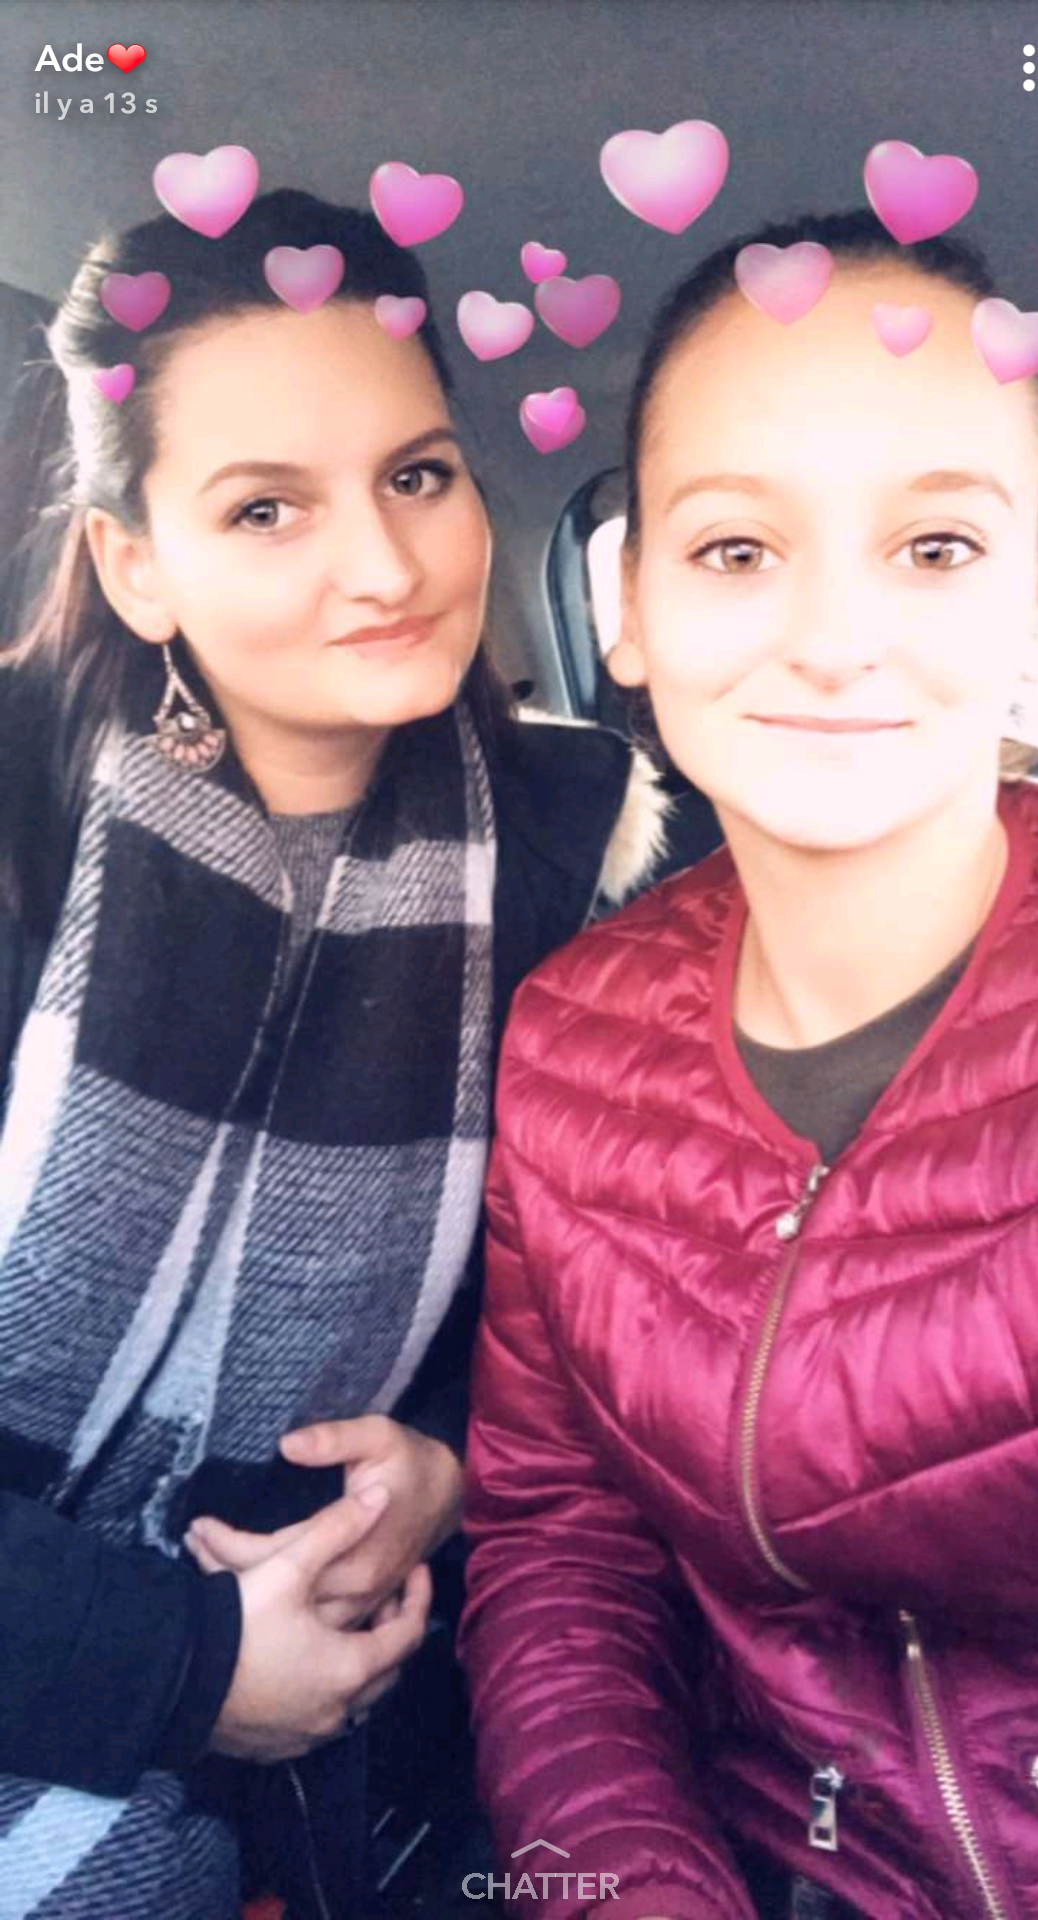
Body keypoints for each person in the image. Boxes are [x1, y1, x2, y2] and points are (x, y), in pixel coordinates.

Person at [0, 185, 674, 1920]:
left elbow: (581, 1320)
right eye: (266, 508)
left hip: (361, 1736)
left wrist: (446, 1466)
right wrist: (182, 1661)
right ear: (135, 564)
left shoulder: (577, 865)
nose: (383, 566)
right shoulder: (21, 834)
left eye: (418, 476)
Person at [458, 206, 1038, 1920]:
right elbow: (561, 1550)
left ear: (1037, 605)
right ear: (630, 607)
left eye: (935, 548)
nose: (832, 637)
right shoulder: (568, 1041)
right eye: (737, 549)